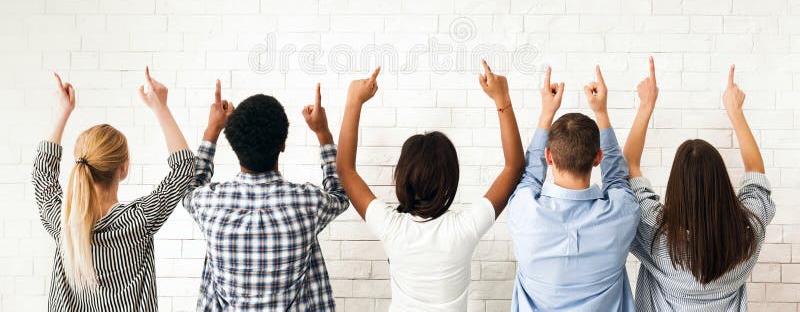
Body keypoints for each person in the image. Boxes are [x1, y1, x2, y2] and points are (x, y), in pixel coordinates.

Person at [336, 61, 525, 311]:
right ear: (450, 181)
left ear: (402, 178)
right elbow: (514, 167)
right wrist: (503, 99)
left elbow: (345, 170)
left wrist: (353, 102)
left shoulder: (392, 226)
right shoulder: (463, 228)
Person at [32, 68, 195, 312]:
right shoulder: (138, 220)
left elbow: (42, 175)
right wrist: (160, 107)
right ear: (124, 168)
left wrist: (62, 113)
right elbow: (183, 169)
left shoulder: (63, 223)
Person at [622, 59, 776, 311]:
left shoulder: (655, 233)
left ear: (675, 187)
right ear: (722, 184)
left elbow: (629, 169)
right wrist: (735, 112)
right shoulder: (746, 234)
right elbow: (757, 176)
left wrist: (646, 105)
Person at [182, 80, 350, 311]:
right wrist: (322, 132)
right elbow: (340, 194)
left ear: (232, 145)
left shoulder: (209, 204)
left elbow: (188, 188)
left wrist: (212, 130)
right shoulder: (307, 203)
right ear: (282, 144)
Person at [507, 66, 640, 311]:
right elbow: (618, 179)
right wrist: (601, 112)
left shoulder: (523, 212)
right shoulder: (622, 214)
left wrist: (547, 113)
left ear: (549, 156)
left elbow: (528, 177)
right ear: (597, 158)